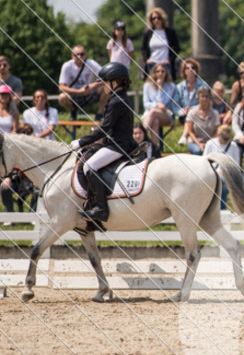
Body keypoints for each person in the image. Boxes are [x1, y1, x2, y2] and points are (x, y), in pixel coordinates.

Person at [72, 62, 136, 226]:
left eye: (105, 82)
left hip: (118, 146)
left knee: (89, 166)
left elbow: (105, 128)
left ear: (114, 82)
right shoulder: (121, 99)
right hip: (121, 143)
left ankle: (101, 208)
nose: (103, 86)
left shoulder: (116, 101)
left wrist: (81, 141)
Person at [141, 63, 182, 154]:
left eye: (163, 71)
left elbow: (163, 104)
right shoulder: (147, 85)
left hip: (166, 114)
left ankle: (141, 134)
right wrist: (156, 105)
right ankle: (154, 150)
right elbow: (146, 104)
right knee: (155, 121)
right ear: (154, 73)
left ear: (166, 73)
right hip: (150, 114)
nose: (160, 73)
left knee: (153, 113)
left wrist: (160, 88)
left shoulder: (171, 86)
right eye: (158, 71)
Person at [58, 45, 106, 116]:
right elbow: (61, 87)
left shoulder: (91, 63)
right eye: (76, 54)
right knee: (62, 97)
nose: (79, 57)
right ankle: (73, 111)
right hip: (74, 96)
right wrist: (79, 91)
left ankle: (99, 114)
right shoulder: (67, 66)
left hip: (90, 93)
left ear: (85, 55)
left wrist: (93, 85)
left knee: (108, 87)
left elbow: (106, 77)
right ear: (72, 56)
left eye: (82, 54)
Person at [205, 124, 240, 209]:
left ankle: (222, 210)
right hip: (212, 173)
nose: (226, 141)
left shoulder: (233, 146)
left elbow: (236, 165)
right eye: (224, 138)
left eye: (228, 139)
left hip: (227, 175)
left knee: (222, 186)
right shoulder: (210, 144)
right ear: (218, 135)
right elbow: (205, 161)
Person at [141, 7, 181, 80]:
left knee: (168, 86)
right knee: (152, 86)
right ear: (151, 20)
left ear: (162, 19)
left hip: (166, 64)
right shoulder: (148, 33)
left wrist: (170, 59)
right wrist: (146, 59)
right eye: (154, 18)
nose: (156, 20)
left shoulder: (170, 32)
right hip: (152, 64)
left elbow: (177, 48)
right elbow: (143, 48)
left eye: (158, 18)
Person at [183, 86, 220, 155]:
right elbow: (190, 131)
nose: (205, 99)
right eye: (202, 96)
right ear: (198, 98)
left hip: (210, 142)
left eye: (207, 96)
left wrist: (209, 143)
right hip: (194, 142)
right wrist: (199, 144)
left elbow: (216, 131)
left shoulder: (215, 113)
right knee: (198, 151)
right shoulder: (192, 112)